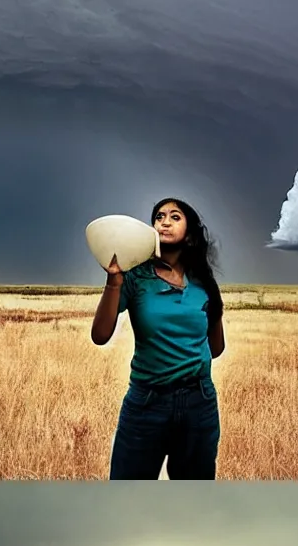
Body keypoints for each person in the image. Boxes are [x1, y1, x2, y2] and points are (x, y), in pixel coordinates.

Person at [91, 198, 225, 480]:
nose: (165, 221)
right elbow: (100, 335)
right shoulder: (135, 277)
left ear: (189, 234)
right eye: (159, 217)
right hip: (147, 402)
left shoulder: (203, 282)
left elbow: (216, 347)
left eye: (175, 217)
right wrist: (114, 282)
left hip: (198, 403)